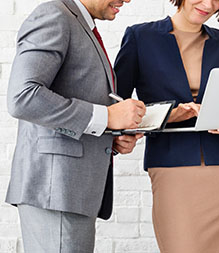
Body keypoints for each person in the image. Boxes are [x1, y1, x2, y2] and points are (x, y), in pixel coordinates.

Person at [114, 0, 219, 252]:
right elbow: (116, 108)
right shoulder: (141, 37)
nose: (209, 4)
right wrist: (171, 114)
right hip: (172, 166)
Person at [5, 0, 146, 251]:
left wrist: (108, 137)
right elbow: (23, 97)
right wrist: (107, 117)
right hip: (56, 190)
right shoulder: (54, 16)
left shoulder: (79, 22)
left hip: (67, 191)